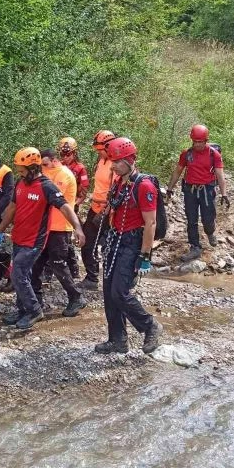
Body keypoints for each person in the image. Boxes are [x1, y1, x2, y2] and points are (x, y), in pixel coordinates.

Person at [0, 147, 86, 330]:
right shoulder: (20, 184)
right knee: (25, 275)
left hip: (35, 240)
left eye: (22, 170)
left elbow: (65, 207)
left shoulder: (46, 186)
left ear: (33, 168)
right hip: (19, 237)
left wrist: (77, 228)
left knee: (17, 273)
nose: (19, 173)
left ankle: (34, 310)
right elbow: (12, 208)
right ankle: (22, 309)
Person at [94, 137, 163, 355]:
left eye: (116, 162)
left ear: (130, 160)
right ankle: (117, 340)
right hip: (115, 240)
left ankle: (150, 325)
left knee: (120, 293)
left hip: (132, 242)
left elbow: (150, 222)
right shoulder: (119, 183)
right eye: (112, 161)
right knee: (108, 292)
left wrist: (145, 255)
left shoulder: (144, 186)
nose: (112, 165)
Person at [30, 149, 88, 317]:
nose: (43, 167)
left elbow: (54, 199)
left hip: (59, 227)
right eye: (41, 165)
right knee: (36, 264)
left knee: (58, 265)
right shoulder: (44, 172)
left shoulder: (65, 175)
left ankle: (75, 297)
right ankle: (36, 303)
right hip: (43, 227)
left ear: (55, 161)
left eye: (46, 164)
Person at [165, 124, 229, 261]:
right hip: (190, 190)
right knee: (191, 220)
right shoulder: (186, 154)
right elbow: (178, 171)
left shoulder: (214, 154)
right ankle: (195, 247)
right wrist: (169, 188)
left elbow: (220, 175)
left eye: (201, 142)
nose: (198, 145)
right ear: (192, 140)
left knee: (208, 218)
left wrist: (224, 194)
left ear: (206, 140)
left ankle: (210, 232)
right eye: (195, 142)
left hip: (207, 190)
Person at [78, 130, 118, 291]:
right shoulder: (101, 161)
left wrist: (106, 209)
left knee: (108, 246)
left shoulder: (115, 164)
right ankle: (92, 277)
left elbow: (116, 191)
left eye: (100, 149)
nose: (98, 152)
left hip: (107, 211)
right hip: (95, 207)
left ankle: (116, 279)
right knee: (87, 243)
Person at [58, 136, 89, 281]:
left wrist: (75, 204)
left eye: (68, 154)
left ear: (74, 153)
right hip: (56, 205)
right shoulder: (57, 166)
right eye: (62, 154)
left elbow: (84, 190)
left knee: (66, 237)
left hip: (70, 206)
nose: (65, 157)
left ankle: (73, 267)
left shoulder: (80, 168)